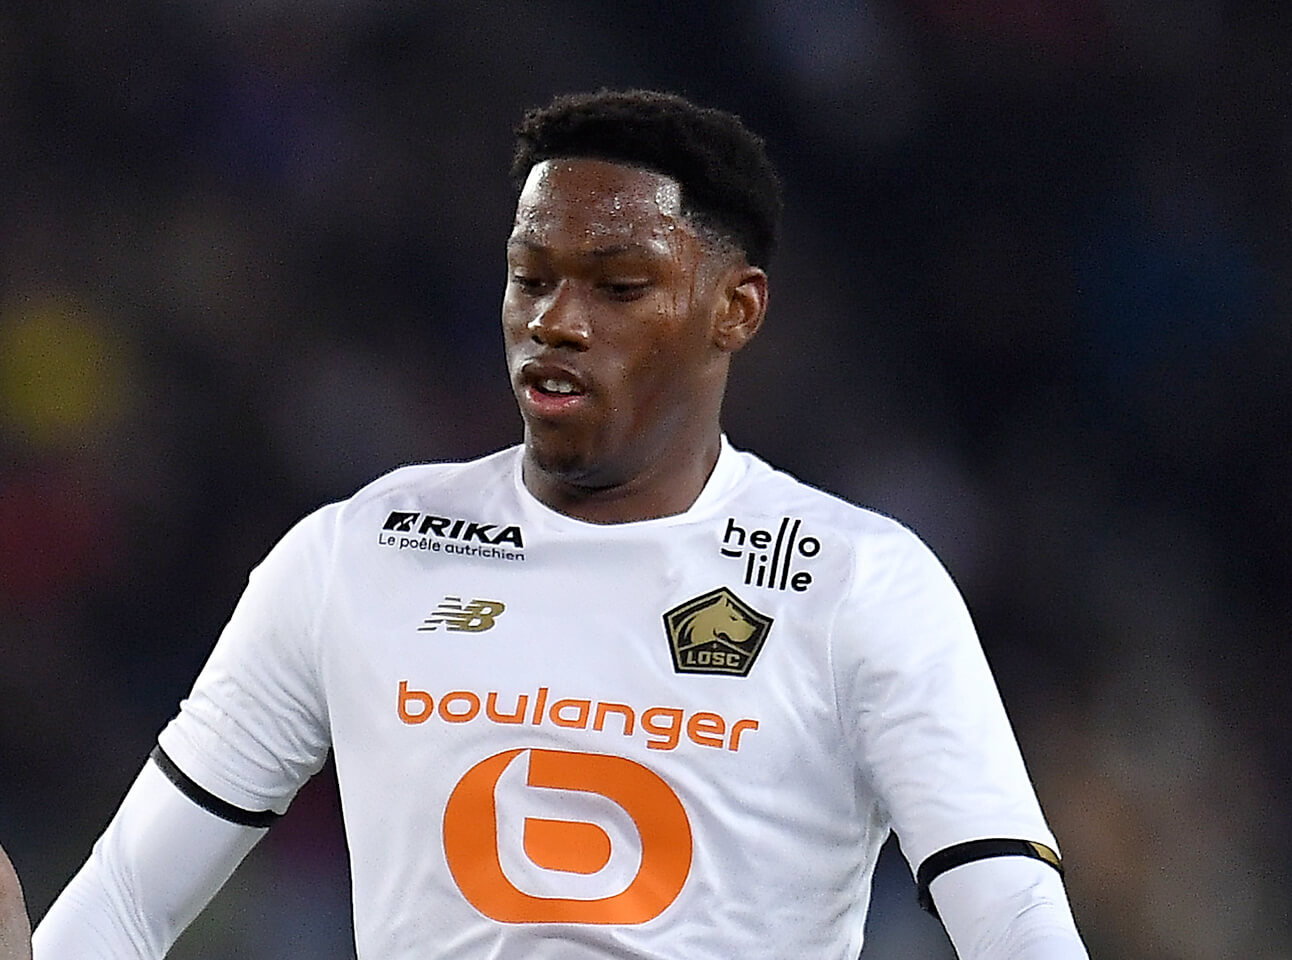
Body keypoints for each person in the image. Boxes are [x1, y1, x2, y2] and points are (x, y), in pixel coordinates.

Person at [25, 89, 1088, 958]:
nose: (555, 321)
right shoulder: (358, 554)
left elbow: (1010, 916)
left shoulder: (858, 583)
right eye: (529, 278)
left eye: (619, 287)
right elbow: (123, 901)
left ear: (736, 309)